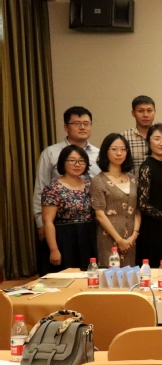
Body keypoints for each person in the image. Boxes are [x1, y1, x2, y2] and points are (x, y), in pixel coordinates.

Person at [33, 107, 101, 274]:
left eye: (86, 123)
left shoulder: (99, 154)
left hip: (89, 230)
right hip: (60, 230)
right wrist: (41, 224)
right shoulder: (50, 153)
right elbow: (40, 188)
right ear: (66, 127)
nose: (82, 127)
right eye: (76, 123)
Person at [41, 146, 96, 272]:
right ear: (63, 162)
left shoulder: (90, 185)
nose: (77, 164)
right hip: (64, 238)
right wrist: (54, 249)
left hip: (88, 236)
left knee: (89, 275)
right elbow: (48, 221)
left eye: (81, 161)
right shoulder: (53, 188)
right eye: (72, 160)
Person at [91, 133, 140, 267]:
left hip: (130, 239)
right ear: (105, 152)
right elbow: (100, 215)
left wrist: (134, 235)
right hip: (108, 237)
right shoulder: (98, 181)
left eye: (123, 149)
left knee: (130, 275)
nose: (119, 153)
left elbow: (137, 210)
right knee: (110, 274)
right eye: (114, 149)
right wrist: (119, 240)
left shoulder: (133, 179)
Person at [136, 123, 162, 265]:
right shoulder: (146, 167)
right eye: (157, 138)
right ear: (149, 141)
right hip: (153, 228)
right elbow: (142, 204)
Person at [121, 95, 162, 176]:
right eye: (141, 111)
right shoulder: (124, 138)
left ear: (155, 112)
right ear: (133, 113)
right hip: (132, 183)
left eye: (149, 111)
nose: (145, 115)